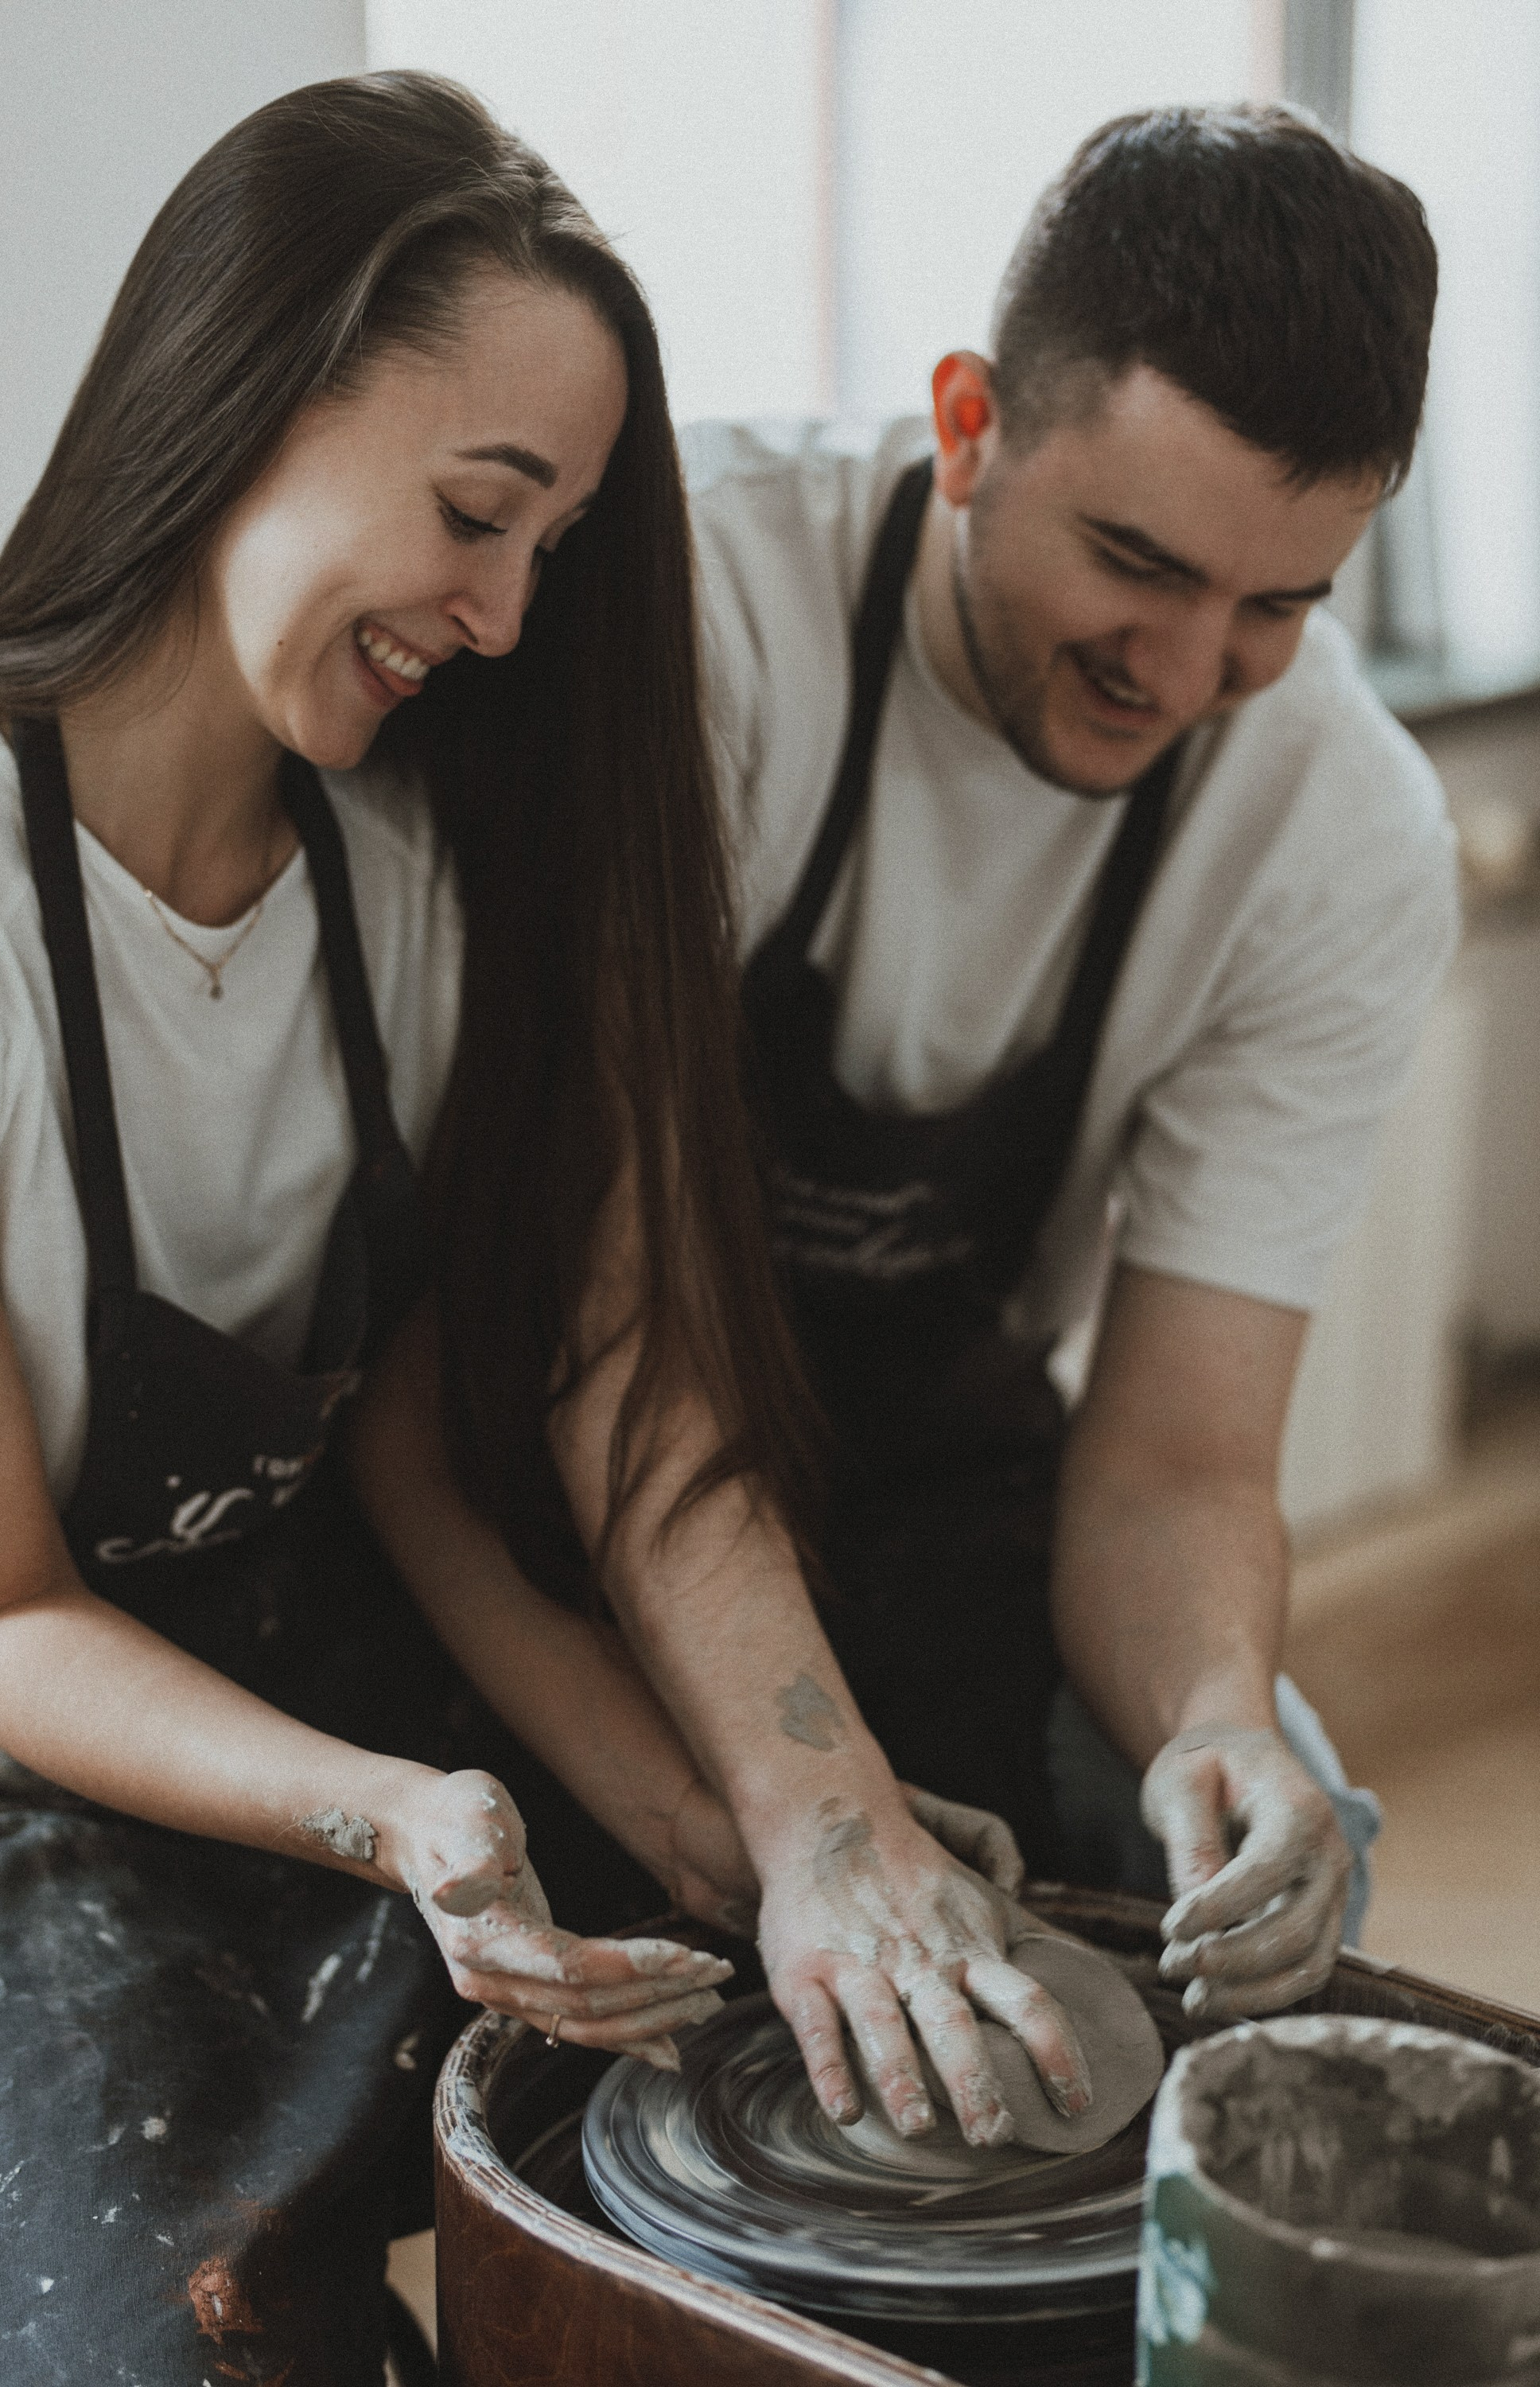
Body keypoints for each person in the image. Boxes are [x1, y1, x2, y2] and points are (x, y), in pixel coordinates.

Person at [0, 69, 1049, 2386]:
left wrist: (718, 1834)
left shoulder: (405, 889)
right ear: (250, 380)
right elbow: (1, 1612)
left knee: (727, 2063)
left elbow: (413, 1467)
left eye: (550, 547)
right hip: (8, 1764)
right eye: (479, 512)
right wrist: (405, 1820)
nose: (507, 610)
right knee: (184, 2336)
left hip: (313, 1674)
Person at [673, 107, 1458, 2023]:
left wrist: (1215, 1722)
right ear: (967, 427)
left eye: (1276, 606)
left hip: (934, 1458)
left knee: (1270, 1861)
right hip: (587, 1451)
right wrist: (819, 1810)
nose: (1186, 675)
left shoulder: (1341, 833)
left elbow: (1183, 1450)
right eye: (1135, 560)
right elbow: (592, 1346)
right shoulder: (703, 616)